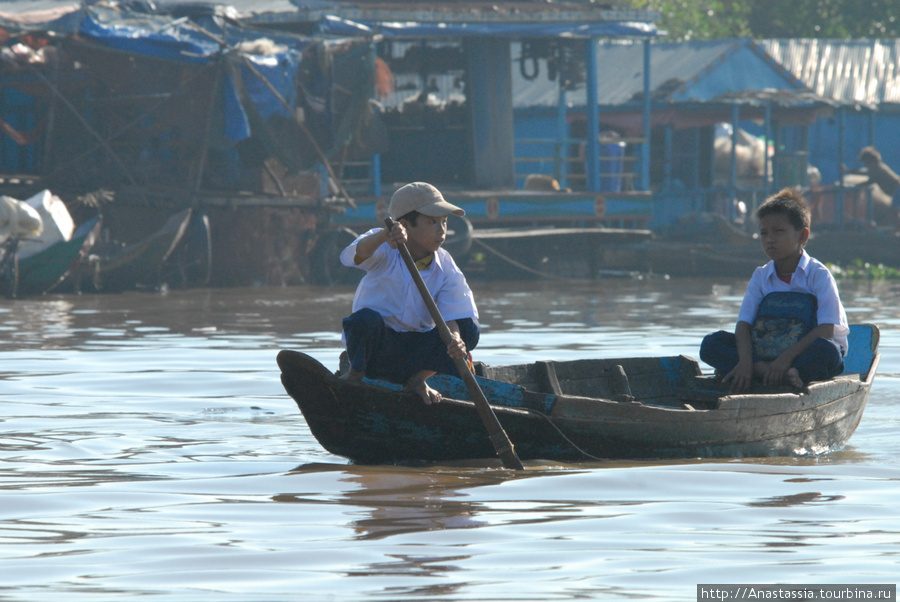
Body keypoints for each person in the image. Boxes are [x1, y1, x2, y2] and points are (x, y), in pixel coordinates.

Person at [339, 181, 479, 405]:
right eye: (432, 222)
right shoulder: (383, 245)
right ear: (405, 224)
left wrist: (456, 340)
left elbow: (454, 314)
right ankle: (355, 376)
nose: (441, 230)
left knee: (469, 331)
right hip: (377, 350)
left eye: (444, 222)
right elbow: (353, 256)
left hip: (414, 356)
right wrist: (386, 235)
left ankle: (417, 380)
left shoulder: (446, 265)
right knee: (364, 320)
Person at [699, 188, 849, 392]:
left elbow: (826, 329)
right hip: (764, 353)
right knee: (711, 344)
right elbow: (744, 325)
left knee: (829, 351)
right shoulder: (761, 276)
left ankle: (789, 372)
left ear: (802, 235)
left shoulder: (818, 274)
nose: (770, 239)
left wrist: (785, 359)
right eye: (764, 233)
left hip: (802, 354)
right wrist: (746, 361)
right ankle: (764, 371)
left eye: (779, 231)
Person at [842, 146, 900, 223]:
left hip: (898, 190)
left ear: (871, 161)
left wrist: (847, 171)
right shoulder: (877, 169)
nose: (866, 165)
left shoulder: (878, 169)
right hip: (896, 191)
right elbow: (869, 180)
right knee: (893, 212)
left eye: (866, 163)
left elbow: (865, 175)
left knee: (893, 212)